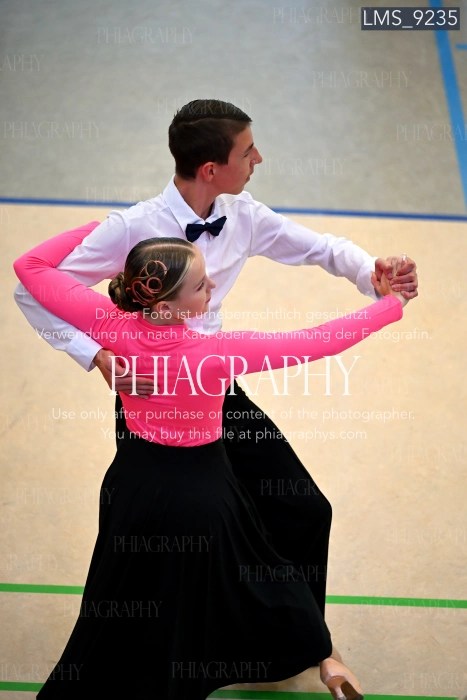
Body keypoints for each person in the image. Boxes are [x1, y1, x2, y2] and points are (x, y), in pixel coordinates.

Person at [13, 100, 418, 687]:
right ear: (211, 168)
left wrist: (370, 272)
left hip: (216, 388)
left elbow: (318, 247)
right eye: (247, 151)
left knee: (303, 508)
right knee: (161, 549)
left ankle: (303, 645)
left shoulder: (242, 213)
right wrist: (95, 356)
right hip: (152, 403)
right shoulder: (131, 228)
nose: (259, 159)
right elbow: (30, 291)